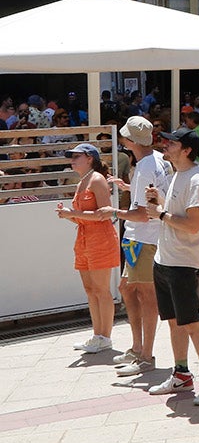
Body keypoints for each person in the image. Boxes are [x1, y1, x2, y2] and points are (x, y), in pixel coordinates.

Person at [144, 130, 199, 405]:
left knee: (191, 322)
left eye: (172, 142)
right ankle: (181, 373)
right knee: (175, 321)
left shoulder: (197, 180)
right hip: (165, 259)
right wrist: (160, 202)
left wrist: (161, 214)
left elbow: (191, 224)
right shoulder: (178, 174)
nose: (166, 145)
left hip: (182, 263)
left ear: (187, 150)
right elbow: (176, 214)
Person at [107, 116, 172, 375]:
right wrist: (129, 187)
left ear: (130, 141)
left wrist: (112, 212)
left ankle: (145, 354)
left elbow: (143, 213)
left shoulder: (146, 164)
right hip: (143, 238)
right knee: (129, 289)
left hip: (145, 238)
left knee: (145, 297)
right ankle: (139, 348)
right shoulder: (155, 160)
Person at [57, 142, 120, 353]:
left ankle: (105, 337)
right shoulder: (83, 181)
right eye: (71, 157)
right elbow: (84, 218)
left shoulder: (97, 179)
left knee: (101, 290)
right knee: (90, 289)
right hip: (85, 240)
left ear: (90, 158)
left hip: (100, 240)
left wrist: (72, 214)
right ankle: (97, 335)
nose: (72, 160)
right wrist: (68, 215)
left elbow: (104, 213)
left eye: (77, 156)